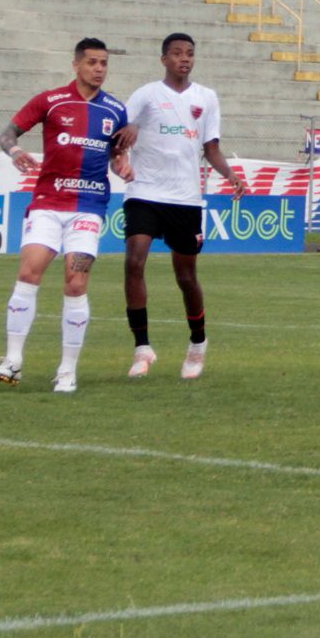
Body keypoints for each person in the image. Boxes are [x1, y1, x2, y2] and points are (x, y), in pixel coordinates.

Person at [0, 38, 131, 394]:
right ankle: (12, 360)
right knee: (28, 271)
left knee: (76, 281)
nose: (99, 69)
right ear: (77, 65)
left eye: (104, 63)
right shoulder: (50, 100)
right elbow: (7, 132)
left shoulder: (116, 109)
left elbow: (115, 154)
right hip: (48, 203)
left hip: (89, 207)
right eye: (93, 62)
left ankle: (67, 370)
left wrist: (122, 164)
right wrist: (16, 151)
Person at [116, 33, 246, 380]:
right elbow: (120, 133)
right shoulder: (145, 95)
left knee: (186, 276)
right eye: (176, 53)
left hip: (185, 198)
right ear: (164, 59)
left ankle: (197, 344)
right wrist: (127, 136)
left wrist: (232, 176)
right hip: (144, 191)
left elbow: (212, 149)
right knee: (134, 260)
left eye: (189, 53)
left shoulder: (206, 98)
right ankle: (142, 348)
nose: (184, 59)